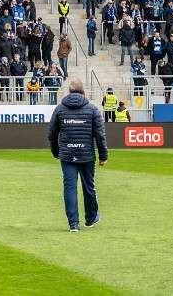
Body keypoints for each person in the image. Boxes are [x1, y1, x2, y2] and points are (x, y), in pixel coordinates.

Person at [47, 78, 108, 233]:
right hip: (86, 154)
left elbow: (51, 135)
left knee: (69, 188)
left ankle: (73, 224)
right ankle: (90, 218)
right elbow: (100, 135)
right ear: (83, 92)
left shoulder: (60, 109)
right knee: (89, 187)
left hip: (67, 155)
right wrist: (103, 156)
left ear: (69, 92)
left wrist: (56, 152)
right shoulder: (93, 109)